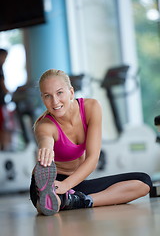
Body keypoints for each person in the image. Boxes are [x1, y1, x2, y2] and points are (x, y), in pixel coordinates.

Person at [30, 69, 152, 216]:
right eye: (47, 96)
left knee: (143, 182)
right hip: (53, 184)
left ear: (71, 92)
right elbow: (45, 139)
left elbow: (93, 158)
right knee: (53, 201)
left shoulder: (91, 108)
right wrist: (46, 148)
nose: (55, 101)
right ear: (42, 99)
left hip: (74, 183)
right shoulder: (44, 125)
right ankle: (52, 199)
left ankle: (80, 200)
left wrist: (66, 186)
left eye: (59, 93)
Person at [0, 48, 12, 150]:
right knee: (4, 127)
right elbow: (2, 84)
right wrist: (9, 92)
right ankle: (4, 148)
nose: (5, 59)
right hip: (0, 103)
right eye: (4, 56)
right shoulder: (0, 68)